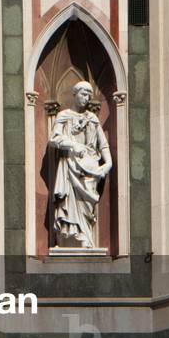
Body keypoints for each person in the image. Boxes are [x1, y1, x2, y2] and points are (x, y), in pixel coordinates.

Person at [49, 80, 112, 249]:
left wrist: (108, 164)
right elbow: (53, 138)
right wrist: (72, 145)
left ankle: (85, 236)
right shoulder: (64, 115)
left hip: (90, 168)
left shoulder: (92, 119)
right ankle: (68, 236)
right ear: (75, 94)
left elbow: (103, 144)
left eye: (89, 96)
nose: (86, 98)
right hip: (69, 166)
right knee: (68, 201)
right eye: (83, 94)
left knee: (86, 206)